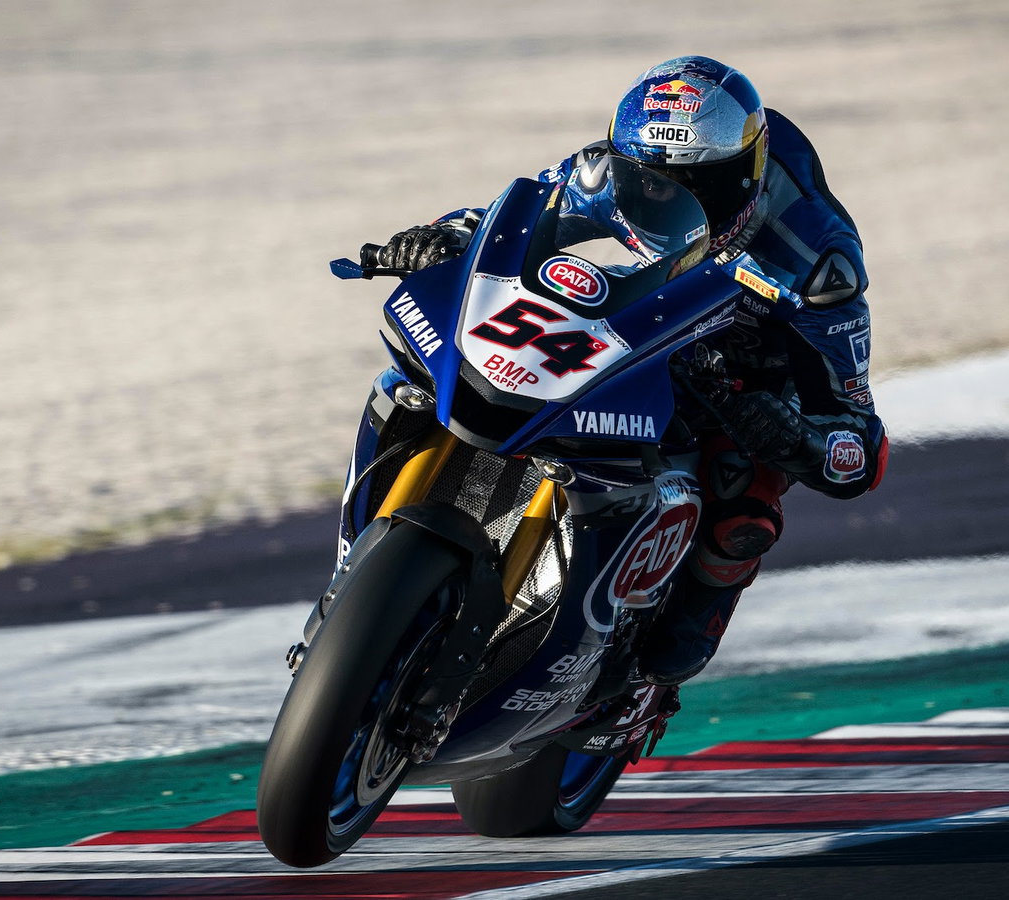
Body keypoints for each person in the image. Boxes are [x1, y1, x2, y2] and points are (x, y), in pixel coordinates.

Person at [373, 56, 887, 686]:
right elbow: (508, 225)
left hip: (740, 382)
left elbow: (859, 447)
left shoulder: (818, 259)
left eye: (700, 186)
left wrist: (792, 436)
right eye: (651, 185)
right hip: (634, 321)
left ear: (746, 173)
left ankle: (691, 622)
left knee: (739, 498)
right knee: (416, 381)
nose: (668, 199)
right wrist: (439, 237)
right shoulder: (613, 175)